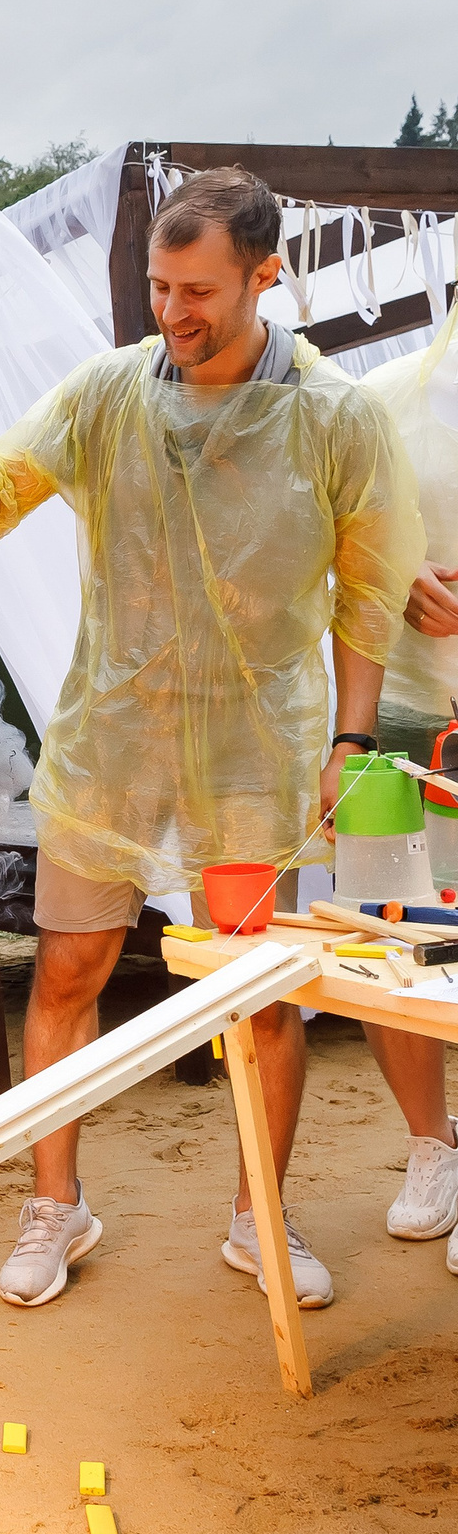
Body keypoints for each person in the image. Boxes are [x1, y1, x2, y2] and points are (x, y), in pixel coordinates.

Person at [0, 168, 427, 1309]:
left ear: (266, 275)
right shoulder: (108, 393)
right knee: (66, 967)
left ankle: (258, 1217)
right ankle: (54, 1206)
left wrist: (352, 741)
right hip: (110, 742)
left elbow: (368, 593)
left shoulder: (334, 416)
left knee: (258, 993)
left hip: (257, 753)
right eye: (160, 286)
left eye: (199, 289)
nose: (173, 310)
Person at [361, 325, 458, 1272]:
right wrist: (389, 577)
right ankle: (432, 1143)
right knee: (392, 935)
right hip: (394, 714)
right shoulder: (383, 396)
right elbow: (320, 539)